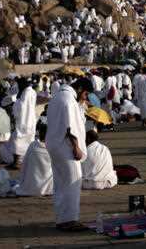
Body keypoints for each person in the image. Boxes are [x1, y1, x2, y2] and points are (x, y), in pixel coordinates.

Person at [45, 77, 90, 231]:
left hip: (54, 144)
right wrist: (76, 147)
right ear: (80, 89)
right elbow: (69, 127)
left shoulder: (58, 96)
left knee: (60, 183)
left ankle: (61, 218)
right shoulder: (68, 100)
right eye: (85, 94)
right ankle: (70, 220)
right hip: (66, 147)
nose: (85, 98)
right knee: (73, 182)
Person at [0, 77, 37, 168]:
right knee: (26, 140)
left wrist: (15, 103)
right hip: (30, 120)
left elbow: (21, 107)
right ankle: (26, 160)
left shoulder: (26, 93)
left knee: (17, 140)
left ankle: (16, 162)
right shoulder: (32, 92)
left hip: (24, 120)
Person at [15, 124, 54, 196]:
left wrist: (22, 181)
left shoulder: (33, 145)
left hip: (31, 187)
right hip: (49, 188)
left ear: (39, 134)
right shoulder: (53, 147)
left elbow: (24, 166)